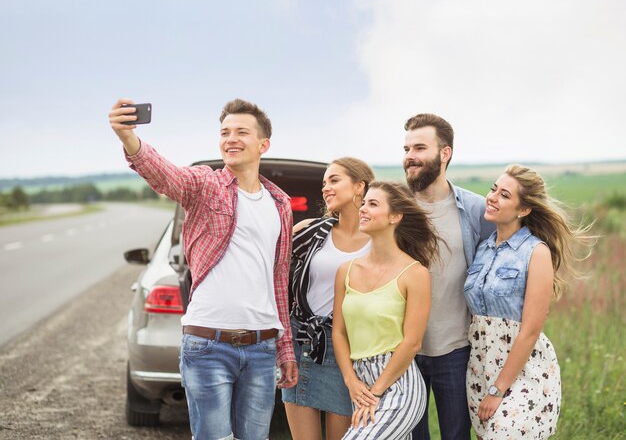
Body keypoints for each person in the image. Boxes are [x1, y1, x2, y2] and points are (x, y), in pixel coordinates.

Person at [108, 98, 297, 440]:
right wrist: (128, 138)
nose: (231, 138)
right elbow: (167, 176)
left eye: (241, 131)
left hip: (262, 347)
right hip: (208, 344)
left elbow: (279, 281)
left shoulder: (280, 204)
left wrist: (285, 349)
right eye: (225, 132)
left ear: (263, 144)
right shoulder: (206, 185)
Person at [464, 165, 592, 439]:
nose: (493, 197)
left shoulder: (536, 252)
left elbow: (531, 330)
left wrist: (499, 389)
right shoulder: (482, 249)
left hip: (524, 372)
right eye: (493, 189)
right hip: (480, 369)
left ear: (523, 210)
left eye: (505, 195)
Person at [403, 113, 494, 440]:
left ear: (445, 153)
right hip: (404, 352)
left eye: (420, 147)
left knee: (456, 435)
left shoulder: (475, 210)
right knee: (411, 436)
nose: (410, 156)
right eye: (407, 148)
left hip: (457, 349)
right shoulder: (397, 209)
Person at [333, 181, 439, 440]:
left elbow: (412, 342)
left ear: (395, 216)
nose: (363, 209)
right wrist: (351, 381)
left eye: (373, 204)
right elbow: (338, 332)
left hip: (397, 383)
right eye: (364, 203)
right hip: (359, 383)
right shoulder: (346, 271)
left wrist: (377, 391)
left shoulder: (415, 274)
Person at [283, 158, 375, 440]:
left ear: (359, 187)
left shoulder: (380, 238)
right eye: (324, 183)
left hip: (349, 349)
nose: (326, 188)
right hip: (303, 343)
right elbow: (271, 267)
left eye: (334, 180)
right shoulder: (312, 232)